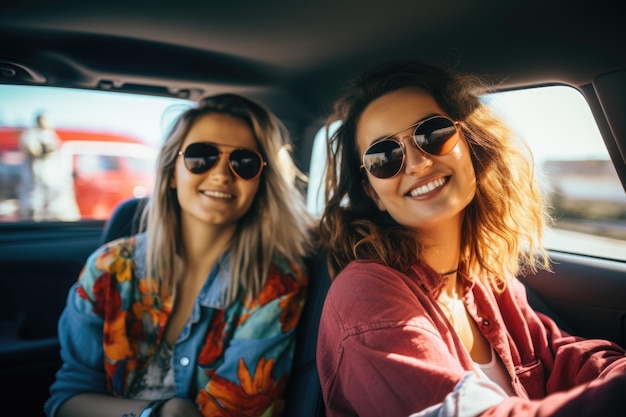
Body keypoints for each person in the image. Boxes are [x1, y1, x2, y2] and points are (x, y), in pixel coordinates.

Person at [315, 60, 626, 417]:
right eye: (384, 157)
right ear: (372, 193)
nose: (416, 163)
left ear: (472, 146)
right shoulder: (365, 295)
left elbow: (567, 356)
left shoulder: (488, 281)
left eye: (432, 134)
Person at [44, 93, 315, 417]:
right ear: (172, 172)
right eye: (202, 156)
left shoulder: (275, 285)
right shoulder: (108, 269)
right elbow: (67, 400)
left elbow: (240, 409)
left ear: (260, 182)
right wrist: (161, 413)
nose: (222, 174)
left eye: (244, 162)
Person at [18, 112, 79, 221]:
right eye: (43, 120)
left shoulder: (51, 135)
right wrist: (43, 150)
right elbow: (33, 150)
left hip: (53, 180)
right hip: (36, 180)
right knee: (35, 207)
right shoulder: (31, 135)